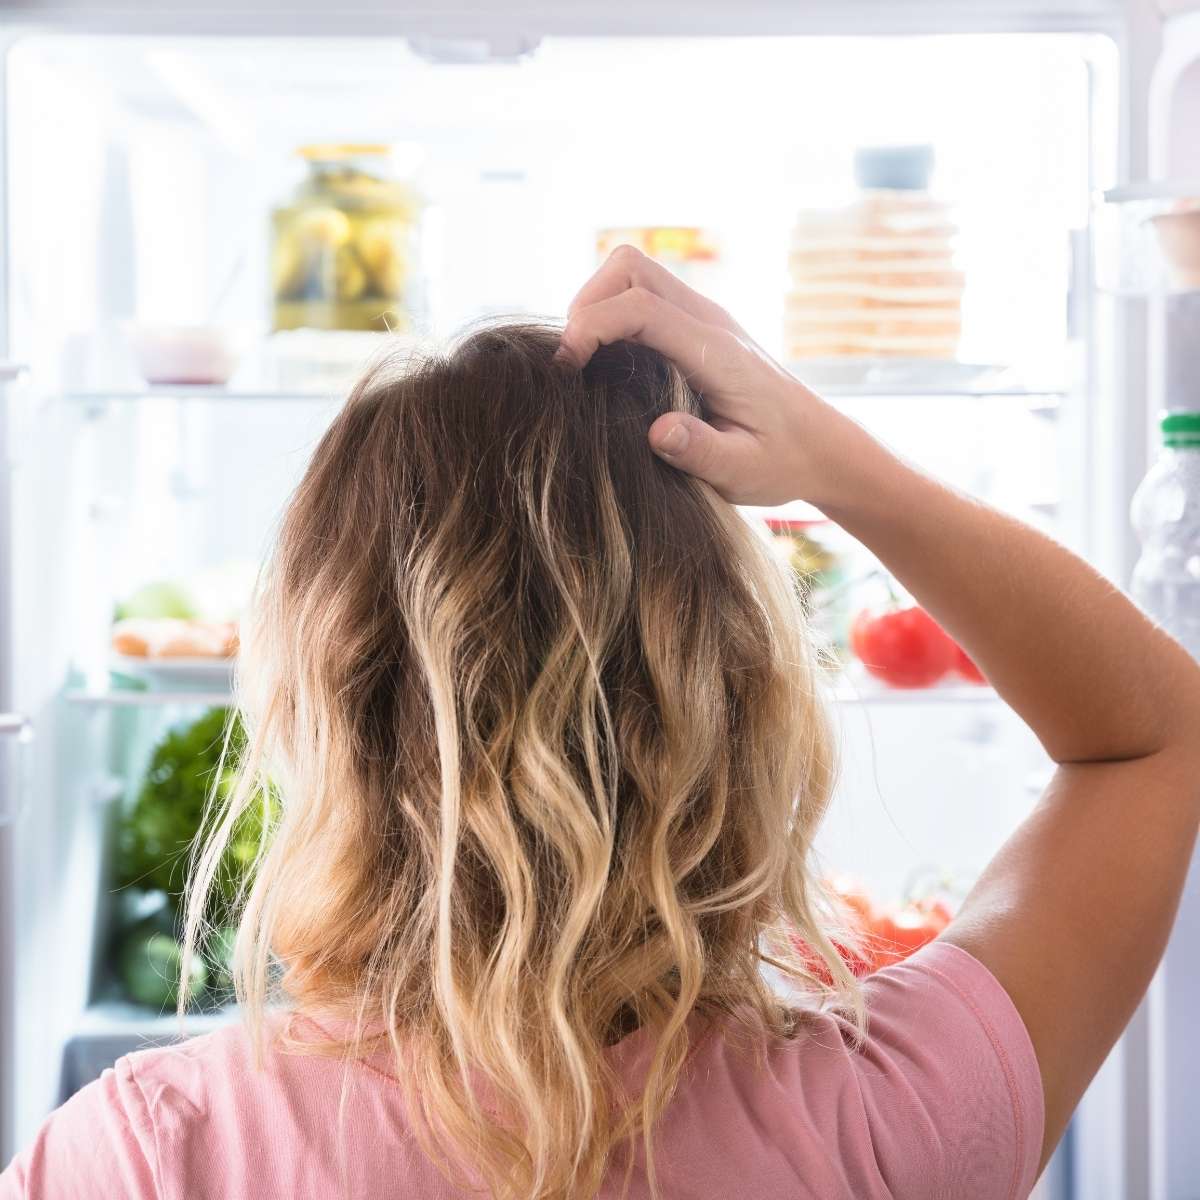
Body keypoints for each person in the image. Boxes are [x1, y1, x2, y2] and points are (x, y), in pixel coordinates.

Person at [4, 246, 1200, 1200]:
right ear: (736, 689)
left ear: (321, 701)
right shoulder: (891, 1119)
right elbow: (1156, 736)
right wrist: (835, 462)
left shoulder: (147, 1156)